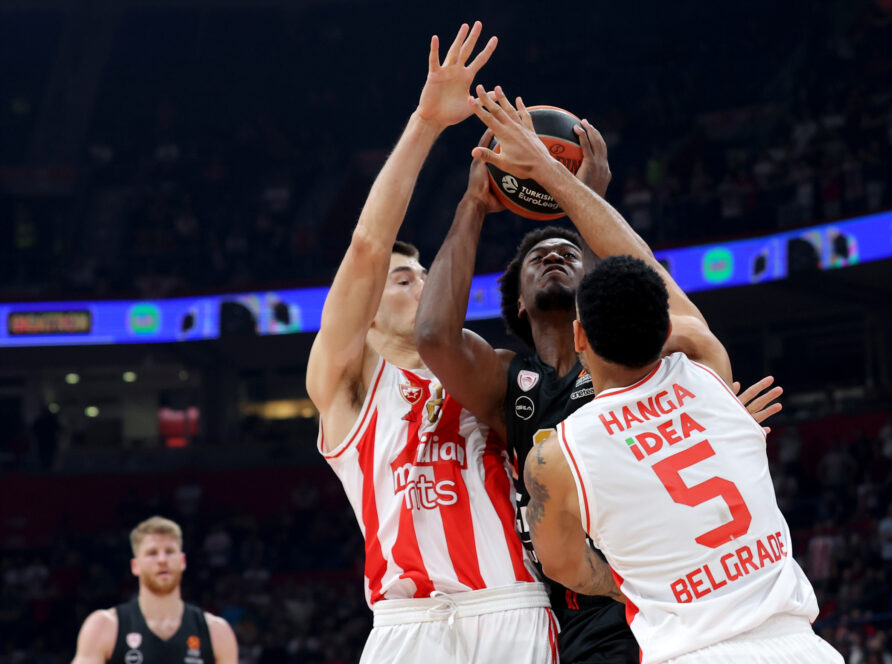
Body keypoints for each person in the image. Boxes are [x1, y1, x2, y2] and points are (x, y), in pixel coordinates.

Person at [415, 86, 783, 662]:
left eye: (570, 251)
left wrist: (583, 199)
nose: (555, 255)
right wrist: (473, 206)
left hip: (677, 590)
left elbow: (649, 286)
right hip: (590, 614)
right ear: (516, 304)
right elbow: (434, 337)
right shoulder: (507, 381)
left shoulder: (655, 359)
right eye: (538, 258)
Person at [304, 24, 555, 663]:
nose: (418, 284)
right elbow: (365, 248)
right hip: (404, 621)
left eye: (423, 275)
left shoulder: (491, 369)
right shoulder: (347, 387)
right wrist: (425, 122)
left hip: (511, 602)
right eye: (401, 278)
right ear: (364, 312)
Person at [524, 256, 843, 664]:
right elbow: (689, 327)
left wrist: (635, 585)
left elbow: (563, 565)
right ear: (667, 330)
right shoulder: (709, 373)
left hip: (691, 651)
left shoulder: (554, 455)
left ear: (579, 336)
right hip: (801, 645)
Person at [71, 516, 238, 664]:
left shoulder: (216, 632)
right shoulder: (104, 626)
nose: (162, 560)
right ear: (135, 566)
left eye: (170, 551)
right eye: (152, 553)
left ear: (182, 561)